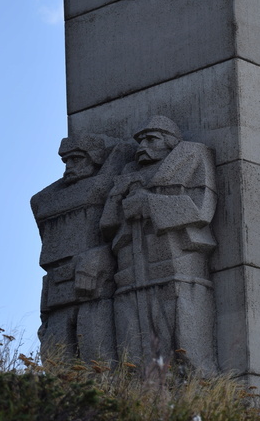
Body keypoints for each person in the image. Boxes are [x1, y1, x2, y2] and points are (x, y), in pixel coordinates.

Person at [100, 115, 218, 372]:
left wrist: (149, 203)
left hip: (177, 257)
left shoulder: (191, 157)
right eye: (140, 140)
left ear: (171, 141)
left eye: (151, 138)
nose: (142, 145)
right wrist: (118, 195)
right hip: (132, 262)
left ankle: (195, 382)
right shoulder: (128, 175)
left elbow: (201, 209)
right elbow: (107, 225)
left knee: (182, 324)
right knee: (134, 333)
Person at [31, 135, 124, 364]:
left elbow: (114, 235)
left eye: (77, 159)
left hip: (93, 279)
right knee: (56, 359)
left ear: (94, 159)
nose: (70, 167)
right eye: (66, 161)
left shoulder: (105, 184)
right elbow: (37, 201)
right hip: (55, 283)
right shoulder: (52, 197)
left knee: (97, 355)